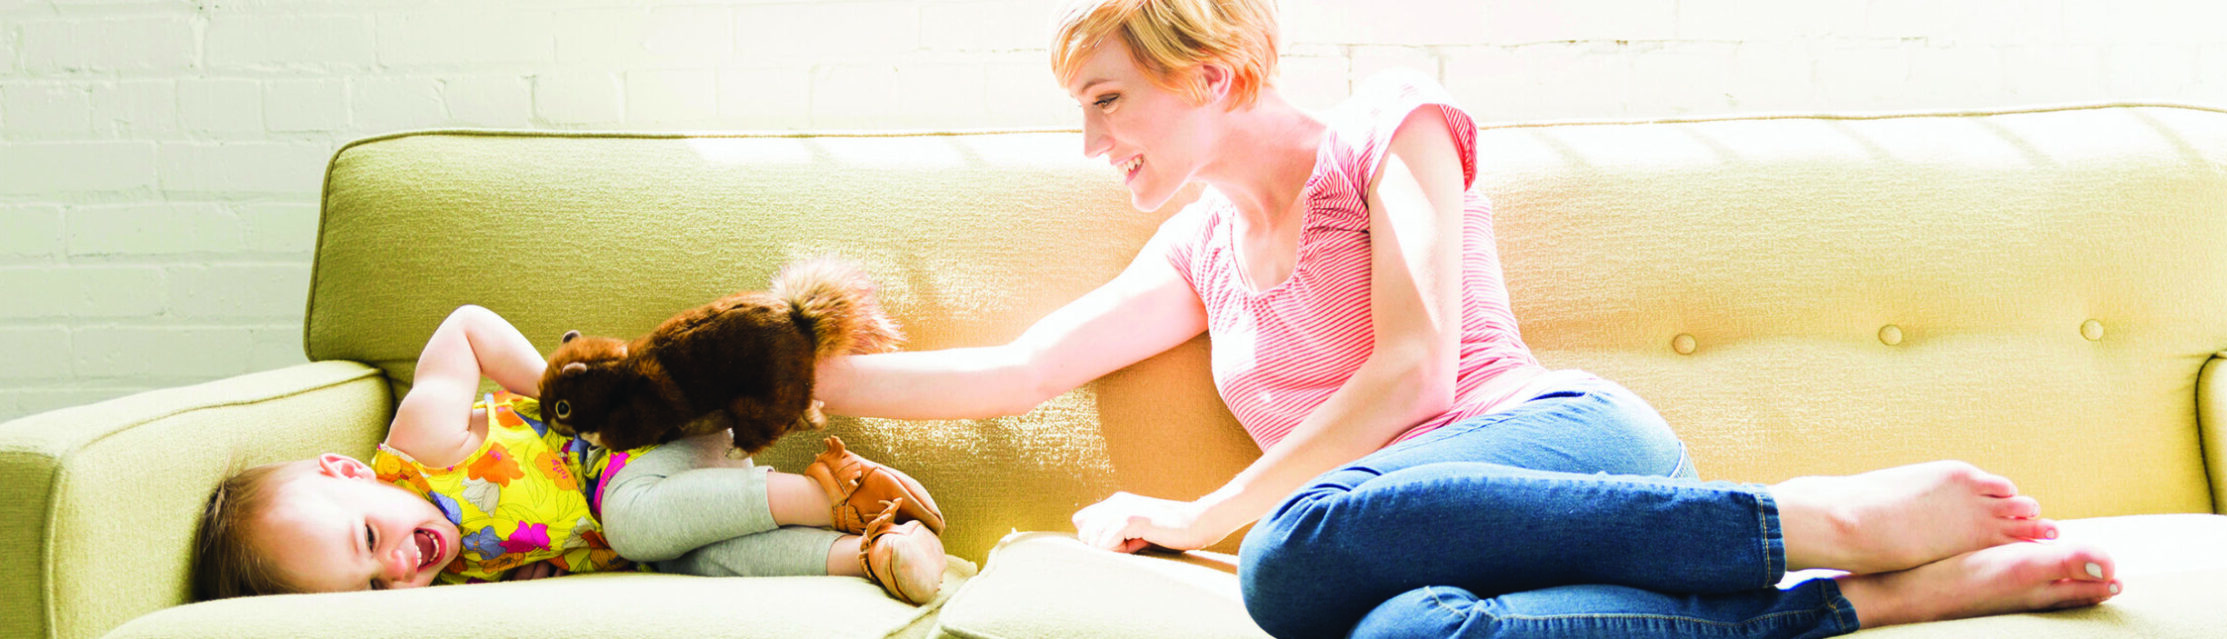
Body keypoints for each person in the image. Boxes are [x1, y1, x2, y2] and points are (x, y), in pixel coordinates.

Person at [809, 0, 2120, 636]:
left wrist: (1206, 514)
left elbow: (1409, 364)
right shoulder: (1200, 247)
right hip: (1467, 546)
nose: (1090, 140)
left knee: (1288, 547)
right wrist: (799, 386)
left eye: (1106, 101)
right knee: (1402, 634)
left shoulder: (1389, 126)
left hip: (1570, 449)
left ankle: (1818, 516)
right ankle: (1868, 598)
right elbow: (1023, 365)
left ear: (1208, 72)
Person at [193, 305, 948, 604]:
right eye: (370, 590)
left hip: (647, 447)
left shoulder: (419, 447)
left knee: (630, 523)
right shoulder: (444, 579)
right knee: (690, 564)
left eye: (365, 537)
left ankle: (831, 491)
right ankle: (875, 548)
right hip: (674, 517)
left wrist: (558, 391)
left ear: (351, 474)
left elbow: (465, 327)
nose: (394, 566)